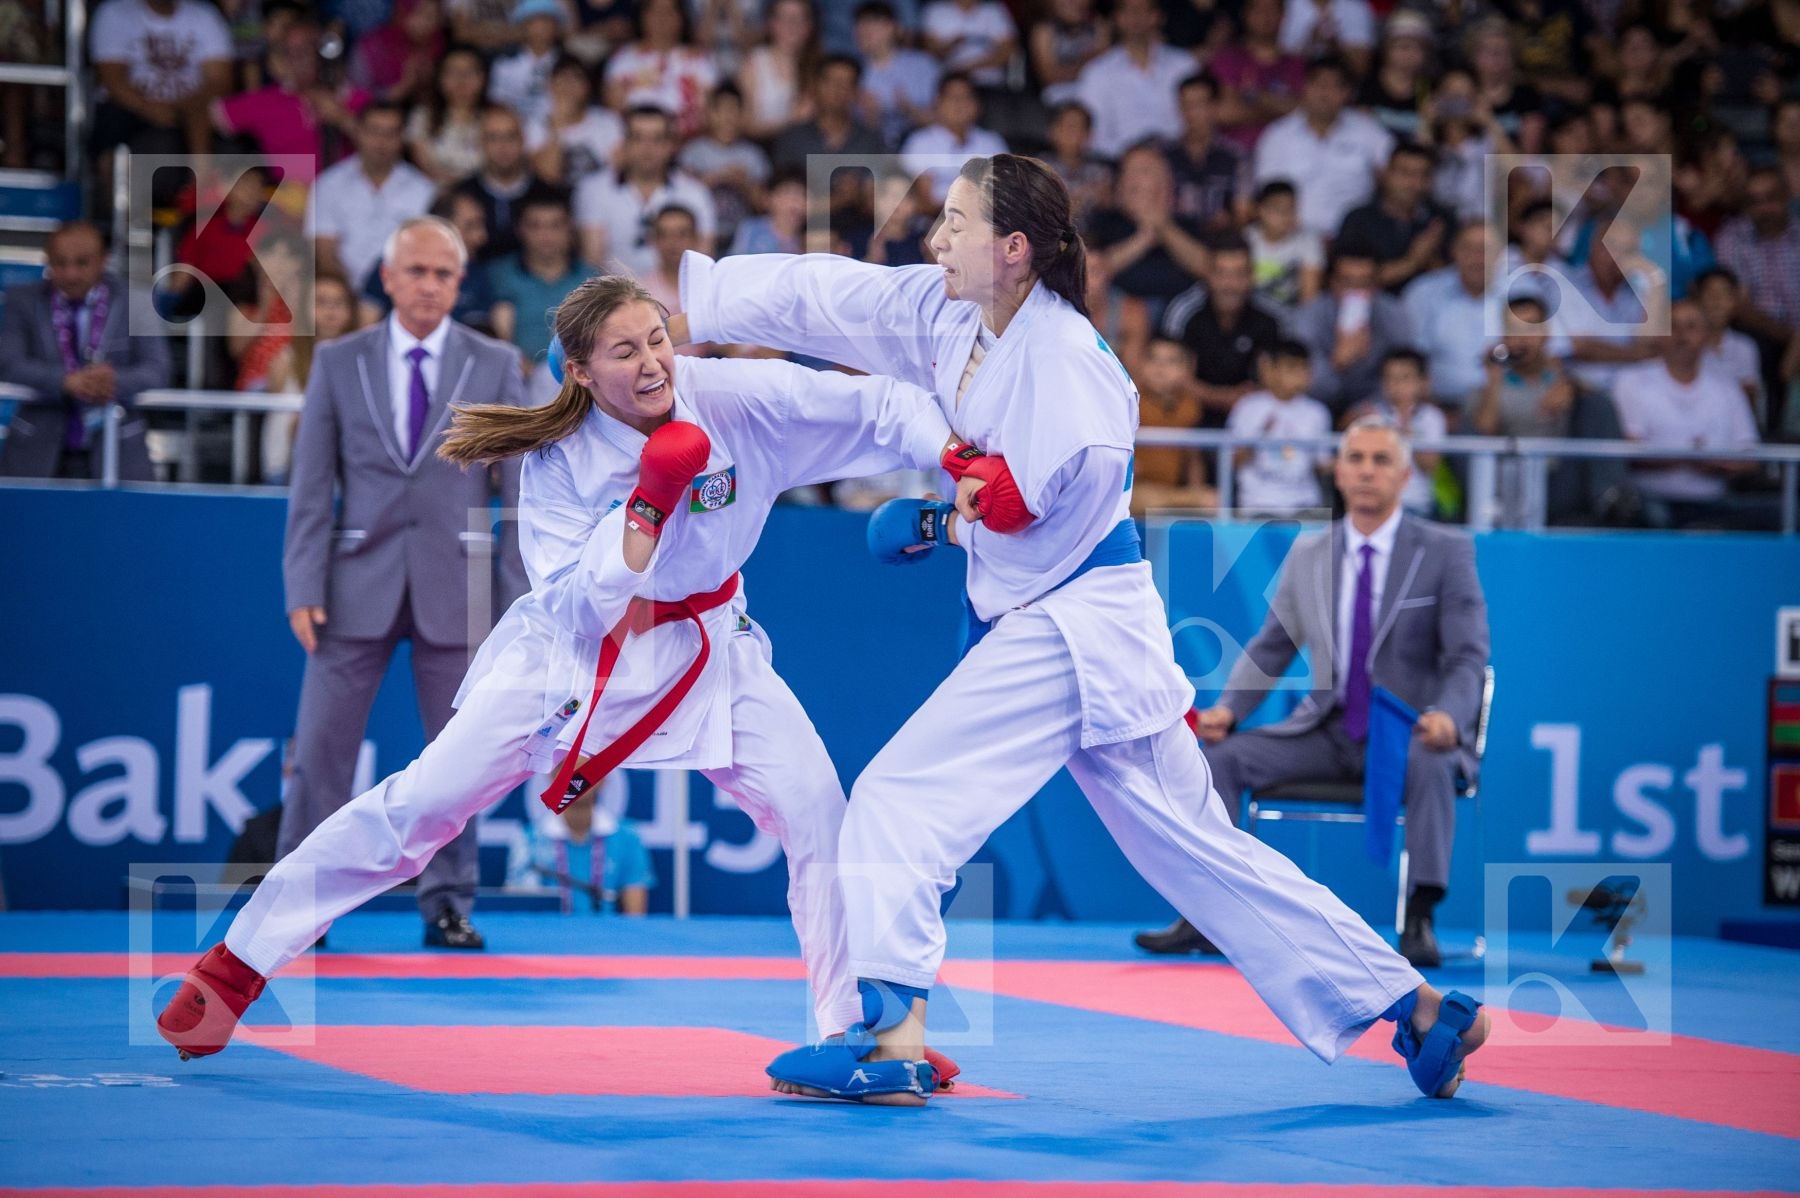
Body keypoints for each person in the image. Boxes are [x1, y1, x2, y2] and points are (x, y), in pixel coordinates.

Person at [676, 152, 1491, 1105]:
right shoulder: (950, 312)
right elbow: (833, 298)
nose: (935, 240)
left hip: (1069, 624)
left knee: (901, 797)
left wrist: (955, 509)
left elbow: (1040, 496)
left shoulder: (1067, 361)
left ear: (1013, 248)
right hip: (1079, 628)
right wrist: (708, 303)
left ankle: (891, 1041)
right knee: (1202, 854)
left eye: (956, 223)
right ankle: (1420, 1008)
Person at [157, 271, 987, 1093]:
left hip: (712, 646)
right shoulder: (558, 460)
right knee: (421, 806)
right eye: (625, 352)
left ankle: (858, 1032)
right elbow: (582, 608)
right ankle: (234, 967)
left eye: (657, 339)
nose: (653, 363)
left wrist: (952, 456)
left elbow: (876, 406)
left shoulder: (727, 397)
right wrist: (648, 502)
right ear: (582, 372)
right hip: (569, 665)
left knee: (819, 813)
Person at [1137, 415, 1491, 968]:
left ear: (1404, 477)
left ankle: (1419, 916)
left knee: (1432, 760)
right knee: (1222, 758)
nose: (1367, 471)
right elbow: (1273, 646)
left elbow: (1467, 657)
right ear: (1338, 473)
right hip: (1328, 731)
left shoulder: (1445, 551)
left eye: (1381, 460)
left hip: (1411, 733)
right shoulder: (1310, 553)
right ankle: (1207, 915)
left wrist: (1449, 715)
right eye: (1356, 459)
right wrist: (1229, 709)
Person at [0, 221, 169, 482]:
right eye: (60, 263)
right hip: (36, 451)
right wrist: (64, 381)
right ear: (47, 261)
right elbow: (9, 363)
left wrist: (112, 380)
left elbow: (157, 369)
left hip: (119, 451)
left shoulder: (137, 301)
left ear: (103, 261)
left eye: (82, 263)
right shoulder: (21, 300)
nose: (70, 274)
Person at [1253, 57, 1394, 241]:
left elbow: (1397, 172)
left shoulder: (1368, 131)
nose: (1325, 94)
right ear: (1305, 87)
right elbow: (1269, 193)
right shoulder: (1278, 135)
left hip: (1357, 240)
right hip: (1293, 239)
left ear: (1347, 92)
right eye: (1319, 85)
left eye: (1335, 87)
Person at [308, 101, 438, 289]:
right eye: (374, 131)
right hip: (343, 293)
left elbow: (426, 254)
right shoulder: (328, 184)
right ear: (358, 132)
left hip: (402, 292)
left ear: (402, 138)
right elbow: (325, 253)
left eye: (390, 133)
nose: (381, 141)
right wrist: (350, 297)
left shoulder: (423, 190)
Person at [1287, 243, 1413, 416]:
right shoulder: (1310, 315)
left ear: (1376, 285)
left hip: (1374, 408)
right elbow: (1299, 385)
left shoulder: (1392, 314)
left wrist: (1365, 409)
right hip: (1316, 409)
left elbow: (1407, 377)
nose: (1356, 290)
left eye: (1364, 283)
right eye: (1348, 282)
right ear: (1332, 282)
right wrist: (1337, 362)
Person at [489, 186, 597, 371]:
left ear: (570, 229)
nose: (546, 236)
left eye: (555, 225)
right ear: (520, 229)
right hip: (516, 377)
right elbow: (495, 341)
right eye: (535, 226)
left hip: (580, 378)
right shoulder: (498, 276)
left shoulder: (592, 280)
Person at [1224, 338, 1333, 514]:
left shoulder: (1318, 412)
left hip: (1305, 503)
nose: (1300, 374)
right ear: (1271, 370)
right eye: (1291, 367)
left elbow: (1322, 463)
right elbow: (1232, 461)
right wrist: (1259, 435)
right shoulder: (1248, 407)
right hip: (1258, 503)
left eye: (1304, 368)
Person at [1344, 348, 1446, 517]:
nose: (1396, 385)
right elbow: (1345, 430)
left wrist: (1405, 430)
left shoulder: (1431, 417)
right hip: (1376, 503)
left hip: (1417, 506)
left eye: (1405, 378)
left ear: (1423, 382)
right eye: (1390, 378)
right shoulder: (1371, 411)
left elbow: (1429, 466)